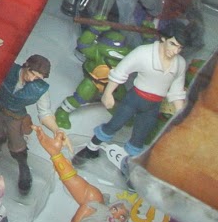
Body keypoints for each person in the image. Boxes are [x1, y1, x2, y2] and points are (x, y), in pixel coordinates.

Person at [76, 19, 193, 161]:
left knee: (140, 136)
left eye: (180, 48)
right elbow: (121, 71)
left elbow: (176, 91)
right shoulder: (144, 52)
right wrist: (108, 93)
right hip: (134, 99)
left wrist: (180, 114)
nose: (175, 51)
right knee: (114, 124)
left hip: (153, 106)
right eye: (173, 44)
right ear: (163, 38)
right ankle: (91, 148)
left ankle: (126, 162)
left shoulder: (179, 63)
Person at [0, 53, 55, 195]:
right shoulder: (8, 69)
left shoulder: (40, 88)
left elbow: (45, 113)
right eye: (32, 74)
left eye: (38, 78)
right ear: (26, 65)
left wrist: (56, 130)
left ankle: (24, 168)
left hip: (15, 116)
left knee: (17, 144)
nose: (32, 79)